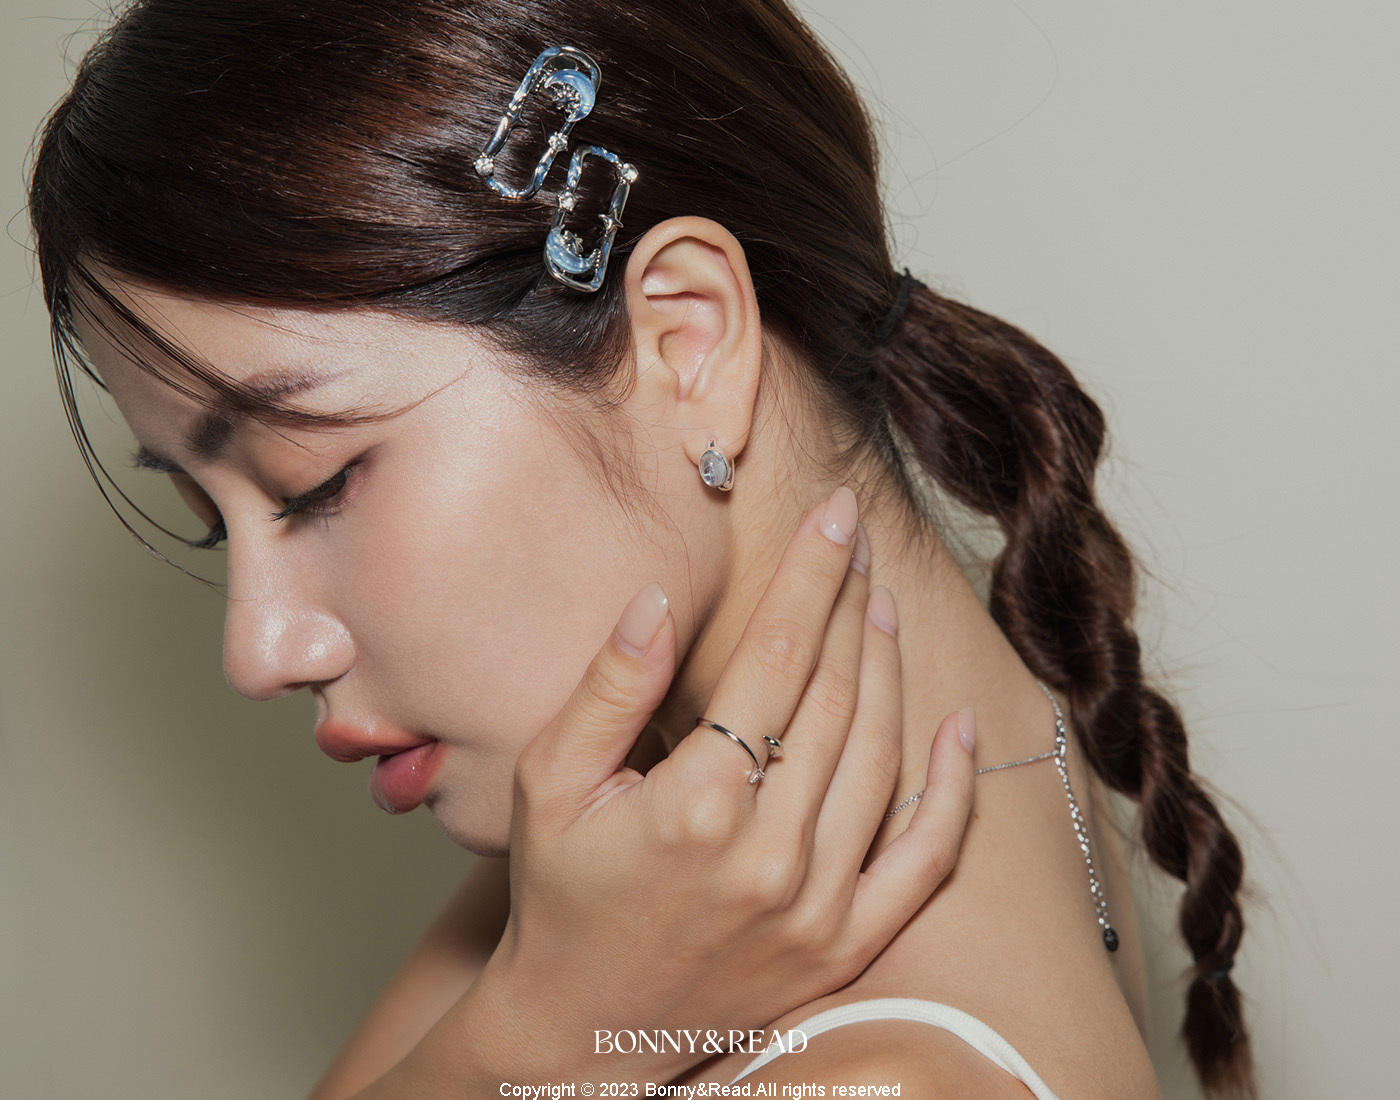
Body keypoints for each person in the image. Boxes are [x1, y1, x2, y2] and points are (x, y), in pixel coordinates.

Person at [26, 1, 1254, 1097]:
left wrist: (530, 1045)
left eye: (313, 481)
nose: (258, 648)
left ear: (686, 345)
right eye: (211, 515)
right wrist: (538, 1017)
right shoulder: (678, 846)